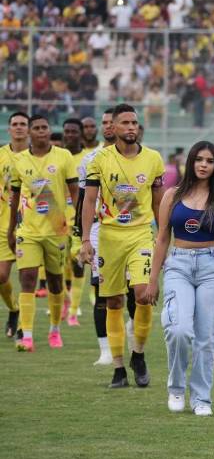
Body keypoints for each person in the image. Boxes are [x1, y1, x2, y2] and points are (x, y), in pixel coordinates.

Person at [142, 142, 214, 416]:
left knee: (206, 338)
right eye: (198, 159)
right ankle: (176, 388)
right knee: (178, 330)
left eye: (209, 161)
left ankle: (201, 399)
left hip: (212, 267)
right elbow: (162, 238)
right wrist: (152, 280)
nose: (203, 165)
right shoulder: (172, 196)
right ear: (190, 162)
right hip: (178, 265)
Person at [81, 104, 166, 388]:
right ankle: (118, 368)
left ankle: (138, 355)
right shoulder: (99, 160)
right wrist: (84, 240)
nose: (131, 127)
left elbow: (158, 201)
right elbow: (89, 200)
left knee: (143, 295)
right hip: (109, 237)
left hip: (141, 234)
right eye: (125, 123)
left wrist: (163, 236)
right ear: (113, 127)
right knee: (113, 301)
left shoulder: (153, 159)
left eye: (134, 122)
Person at [7, 115, 78, 352]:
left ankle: (54, 330)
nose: (40, 131)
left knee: (56, 282)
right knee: (26, 279)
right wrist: (10, 229)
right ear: (29, 132)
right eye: (35, 128)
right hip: (28, 230)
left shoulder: (64, 157)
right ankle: (26, 336)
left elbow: (75, 191)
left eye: (44, 127)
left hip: (57, 229)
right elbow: (14, 197)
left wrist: (74, 221)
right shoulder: (19, 160)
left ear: (49, 131)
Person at [76, 108, 116, 364]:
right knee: (101, 290)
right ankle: (105, 350)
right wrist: (84, 239)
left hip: (133, 231)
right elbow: (84, 202)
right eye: (105, 123)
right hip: (100, 231)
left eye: (113, 122)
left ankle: (133, 331)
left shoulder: (144, 158)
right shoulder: (90, 159)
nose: (108, 127)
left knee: (136, 292)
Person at [1, 112, 29, 339]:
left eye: (23, 124)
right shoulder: (1, 155)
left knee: (26, 277)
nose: (19, 128)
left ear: (28, 129)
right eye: (15, 124)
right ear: (9, 129)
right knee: (1, 276)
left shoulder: (35, 157)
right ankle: (13, 308)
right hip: (3, 224)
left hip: (32, 225)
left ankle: (23, 326)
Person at [62, 118, 88, 326]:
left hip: (79, 217)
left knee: (78, 263)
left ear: (81, 134)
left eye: (74, 131)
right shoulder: (58, 156)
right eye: (67, 131)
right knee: (59, 264)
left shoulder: (88, 158)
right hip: (55, 218)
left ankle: (72, 312)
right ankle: (63, 300)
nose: (70, 135)